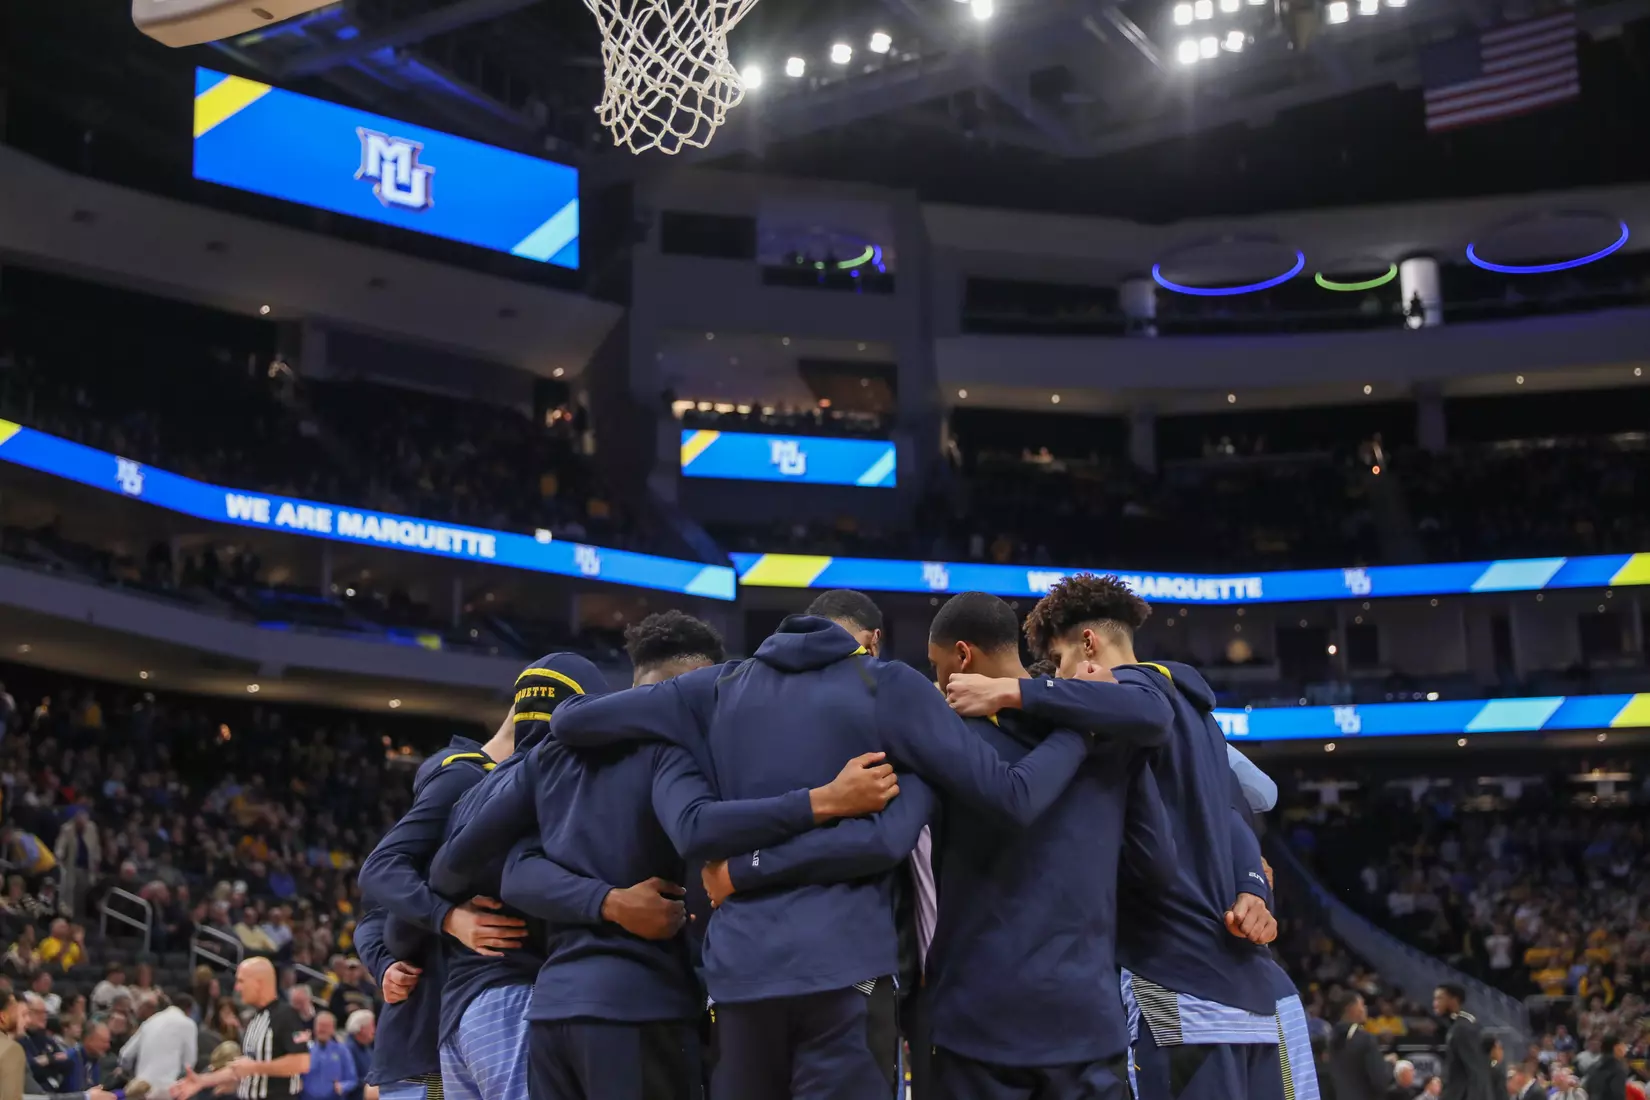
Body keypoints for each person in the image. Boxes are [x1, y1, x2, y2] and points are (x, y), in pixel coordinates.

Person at [550, 590, 1122, 1100]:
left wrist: (744, 867)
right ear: (868, 641)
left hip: (741, 979)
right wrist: (1081, 722)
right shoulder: (891, 686)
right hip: (850, 976)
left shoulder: (714, 688)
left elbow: (571, 721)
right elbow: (955, 817)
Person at [430, 625, 902, 1100]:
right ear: (689, 686)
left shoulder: (553, 754)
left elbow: (481, 867)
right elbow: (697, 828)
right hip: (641, 1008)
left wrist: (450, 913)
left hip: (554, 1015)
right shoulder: (673, 754)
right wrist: (820, 801)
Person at [945, 574, 1282, 1100]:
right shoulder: (1201, 715)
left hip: (1167, 976)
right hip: (1242, 986)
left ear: (1088, 644)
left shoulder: (1134, 697)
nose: (1057, 677)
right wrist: (1252, 886)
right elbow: (1246, 805)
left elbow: (1157, 853)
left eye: (1058, 662)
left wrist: (1011, 691)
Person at [168, 958, 312, 1100]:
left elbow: (301, 1062)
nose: (237, 987)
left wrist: (255, 1067)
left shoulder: (286, 1015)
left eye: (241, 981)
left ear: (259, 982)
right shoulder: (255, 1019)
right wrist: (202, 1081)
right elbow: (240, 1068)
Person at [121, 991, 198, 1090]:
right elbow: (189, 1063)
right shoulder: (188, 1024)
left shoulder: (151, 1021)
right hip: (169, 1089)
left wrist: (130, 1075)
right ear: (189, 1010)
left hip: (141, 1088)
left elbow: (125, 1054)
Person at [1434, 984, 1495, 1100]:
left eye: (1440, 998)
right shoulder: (1458, 1026)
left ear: (1454, 1000)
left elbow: (1476, 1072)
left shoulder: (1462, 1028)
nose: (1435, 1003)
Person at [1326, 992, 1388, 1100]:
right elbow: (1379, 1080)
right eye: (1362, 1005)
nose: (1365, 1009)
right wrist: (1389, 1065)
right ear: (1351, 1008)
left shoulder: (1328, 1038)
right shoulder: (1365, 1039)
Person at [21, 992, 73, 1092]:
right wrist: (52, 1059)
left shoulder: (44, 1037)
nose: (44, 1016)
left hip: (52, 1090)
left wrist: (48, 1060)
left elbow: (66, 1062)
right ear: (27, 1013)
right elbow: (30, 1068)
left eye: (45, 1012)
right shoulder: (20, 1038)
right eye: (39, 1012)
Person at [300, 1014, 356, 1100]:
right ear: (314, 1028)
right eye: (320, 1025)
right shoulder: (305, 1050)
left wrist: (342, 1086)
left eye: (326, 1026)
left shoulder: (342, 1051)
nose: (322, 1029)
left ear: (333, 1029)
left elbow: (352, 1079)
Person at [67, 1021, 113, 1091]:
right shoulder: (69, 1059)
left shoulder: (97, 1060)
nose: (108, 1046)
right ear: (88, 1040)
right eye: (103, 1041)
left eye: (108, 1041)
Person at [1582, 1035, 1627, 1100]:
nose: (1625, 1049)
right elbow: (1618, 1094)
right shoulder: (1617, 1069)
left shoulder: (1593, 1066)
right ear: (1616, 1047)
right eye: (1623, 1045)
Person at [340, 1014, 372, 1100]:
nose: (374, 1031)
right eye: (371, 1026)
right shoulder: (348, 1050)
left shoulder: (367, 1048)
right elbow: (349, 1080)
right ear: (362, 1029)